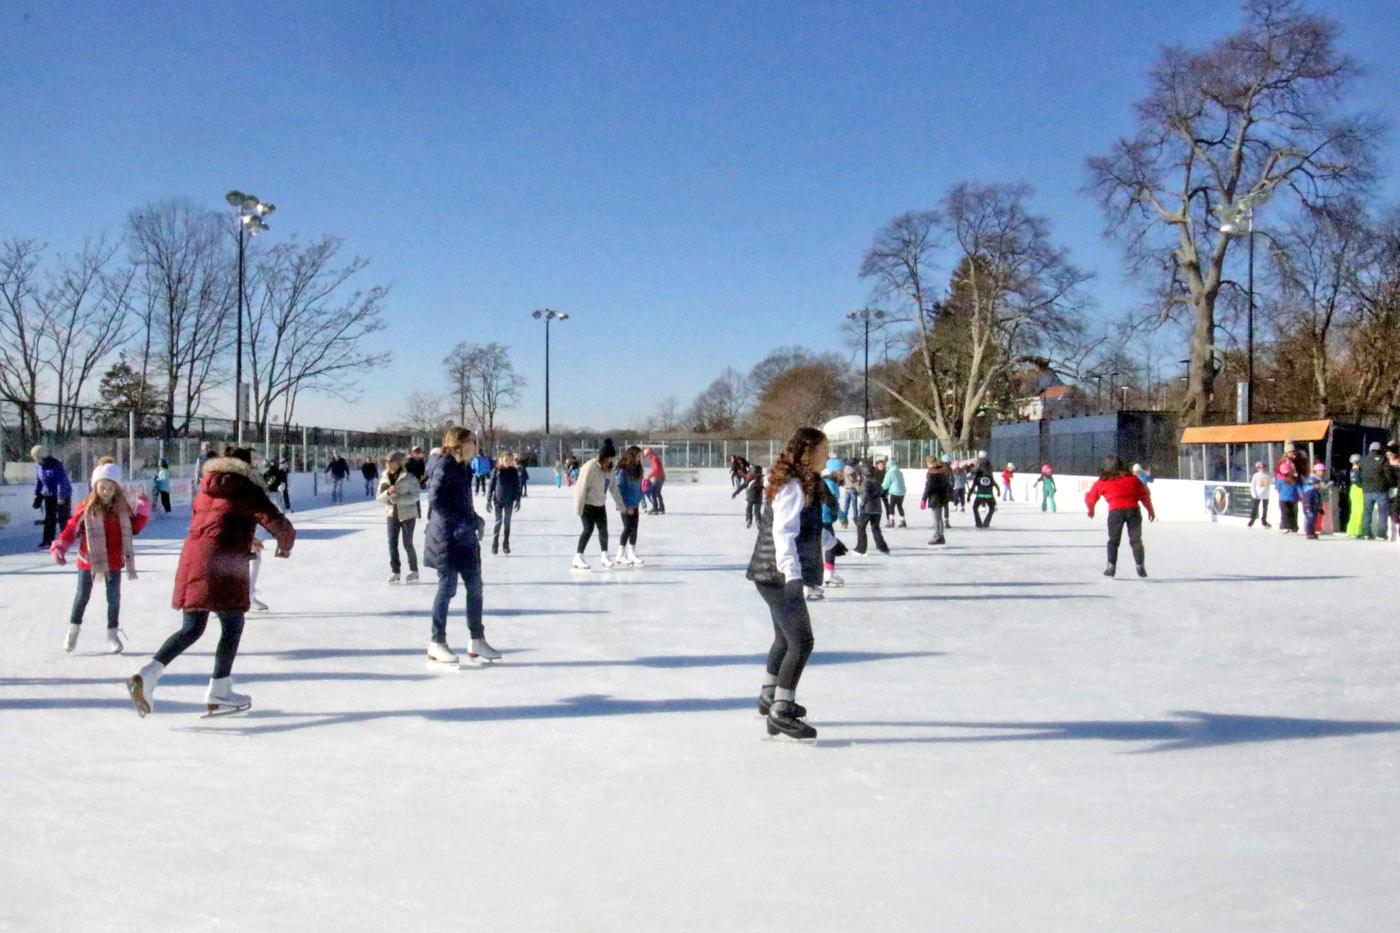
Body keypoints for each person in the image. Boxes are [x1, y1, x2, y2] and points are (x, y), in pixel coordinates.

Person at [126, 448, 295, 717]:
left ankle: (147, 674)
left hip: (193, 560)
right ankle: (219, 690)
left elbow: (214, 521)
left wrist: (245, 537)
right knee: (232, 623)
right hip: (222, 566)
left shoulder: (207, 487)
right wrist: (286, 543)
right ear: (245, 466)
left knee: (192, 627)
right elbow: (275, 520)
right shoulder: (246, 487)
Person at [745, 426, 827, 741]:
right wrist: (792, 575)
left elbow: (803, 527)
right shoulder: (792, 486)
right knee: (802, 642)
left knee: (784, 639)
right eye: (824, 450)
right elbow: (783, 533)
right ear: (808, 454)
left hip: (766, 572)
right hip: (777, 575)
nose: (827, 456)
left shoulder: (790, 482)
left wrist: (830, 541)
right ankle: (782, 707)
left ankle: (770, 694)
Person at [51, 460, 151, 654]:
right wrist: (60, 546)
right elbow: (72, 529)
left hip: (113, 560)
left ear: (116, 488)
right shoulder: (86, 507)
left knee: (113, 598)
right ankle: (73, 631)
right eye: (102, 486)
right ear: (95, 487)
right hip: (88, 560)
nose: (106, 490)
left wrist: (143, 509)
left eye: (110, 486)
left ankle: (112, 634)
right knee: (82, 596)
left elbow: (135, 528)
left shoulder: (122, 508)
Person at [423, 426, 499, 666]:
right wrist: (461, 522)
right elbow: (436, 500)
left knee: (475, 587)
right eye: (472, 442)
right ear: (459, 444)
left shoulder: (463, 468)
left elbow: (462, 502)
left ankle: (477, 639)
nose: (475, 446)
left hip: (464, 537)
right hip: (446, 538)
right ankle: (437, 642)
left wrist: (473, 519)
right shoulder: (445, 465)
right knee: (447, 589)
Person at [1085, 454, 1155, 578]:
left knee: (1113, 541)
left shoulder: (1103, 481)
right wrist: (1150, 509)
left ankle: (1111, 566)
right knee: (1136, 540)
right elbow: (1144, 494)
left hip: (1115, 512)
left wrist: (1091, 510)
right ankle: (1140, 565)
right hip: (1133, 511)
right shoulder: (1132, 479)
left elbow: (1091, 497)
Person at [377, 450, 421, 583]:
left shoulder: (409, 477)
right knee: (392, 543)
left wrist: (399, 499)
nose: (388, 464)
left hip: (407, 514)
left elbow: (416, 495)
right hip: (392, 514)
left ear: (398, 462)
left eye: (391, 462)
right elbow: (378, 497)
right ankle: (395, 571)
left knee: (408, 543)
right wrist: (388, 495)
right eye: (387, 462)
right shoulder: (384, 477)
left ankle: (414, 570)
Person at [572, 440, 617, 570]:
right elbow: (581, 488)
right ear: (603, 457)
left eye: (611, 458)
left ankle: (604, 555)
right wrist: (578, 508)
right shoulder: (590, 467)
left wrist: (621, 505)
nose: (610, 461)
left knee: (604, 530)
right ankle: (578, 556)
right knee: (588, 530)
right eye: (609, 458)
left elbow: (614, 488)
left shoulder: (610, 469)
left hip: (600, 504)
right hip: (587, 505)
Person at [611, 445, 647, 567]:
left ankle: (632, 553)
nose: (638, 459)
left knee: (634, 528)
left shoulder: (637, 468)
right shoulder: (622, 470)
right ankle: (620, 554)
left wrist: (640, 498)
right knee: (627, 528)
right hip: (625, 504)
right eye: (637, 456)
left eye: (639, 456)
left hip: (635, 502)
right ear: (631, 456)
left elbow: (639, 486)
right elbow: (618, 489)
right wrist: (625, 506)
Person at [31, 445, 73, 548]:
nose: (36, 460)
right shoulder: (39, 466)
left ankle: (66, 539)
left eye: (37, 457)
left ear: (43, 456)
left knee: (63, 518)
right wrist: (38, 494)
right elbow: (40, 481)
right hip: (49, 494)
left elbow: (61, 482)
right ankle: (48, 540)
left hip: (63, 494)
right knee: (49, 518)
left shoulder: (56, 465)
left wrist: (61, 497)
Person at [486, 451, 522, 555]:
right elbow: (491, 486)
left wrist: (518, 500)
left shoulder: (514, 472)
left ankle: (506, 543)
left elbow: (517, 487)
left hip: (509, 501)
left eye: (510, 460)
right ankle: (495, 543)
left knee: (507, 523)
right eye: (506, 460)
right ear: (501, 460)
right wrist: (488, 500)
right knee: (498, 522)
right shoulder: (496, 471)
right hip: (498, 500)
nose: (508, 462)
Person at [1358, 441, 1395, 541]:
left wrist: (1361, 485)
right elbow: (1389, 474)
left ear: (1370, 449)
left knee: (1367, 512)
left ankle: (1366, 533)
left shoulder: (1363, 460)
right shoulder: (1383, 460)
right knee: (1382, 513)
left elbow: (1358, 474)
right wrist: (1392, 484)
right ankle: (1381, 535)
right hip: (1381, 490)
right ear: (1380, 449)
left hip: (1367, 491)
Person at [853, 466, 889, 555]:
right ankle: (883, 547)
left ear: (864, 474)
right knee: (875, 528)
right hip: (877, 508)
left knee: (861, 528)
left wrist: (862, 504)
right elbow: (881, 491)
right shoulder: (877, 481)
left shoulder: (865, 482)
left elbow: (865, 494)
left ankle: (860, 549)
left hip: (867, 508)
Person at [920, 456, 952, 546]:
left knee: (935, 518)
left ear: (930, 463)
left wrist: (923, 499)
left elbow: (928, 487)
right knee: (939, 517)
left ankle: (937, 536)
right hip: (942, 497)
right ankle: (941, 536)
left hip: (934, 497)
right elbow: (946, 485)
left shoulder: (931, 472)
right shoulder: (943, 471)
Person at [1275, 455, 1302, 534]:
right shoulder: (1280, 480)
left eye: (1287, 473)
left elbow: (1298, 488)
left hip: (1293, 499)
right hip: (1283, 499)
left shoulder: (1294, 480)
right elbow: (1278, 489)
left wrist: (1300, 495)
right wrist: (1281, 494)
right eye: (1285, 473)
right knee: (1285, 513)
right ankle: (1286, 526)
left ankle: (1294, 527)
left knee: (1294, 513)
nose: (1286, 475)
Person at [732, 464, 765, 528]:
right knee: (757, 510)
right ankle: (758, 520)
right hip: (758, 498)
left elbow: (743, 486)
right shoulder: (762, 479)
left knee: (749, 508)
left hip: (751, 497)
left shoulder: (750, 478)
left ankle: (749, 519)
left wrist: (736, 492)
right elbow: (768, 487)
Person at [1302, 464, 1326, 540]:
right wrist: (1308, 509)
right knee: (1310, 521)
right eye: (1316, 484)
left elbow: (1318, 500)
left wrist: (1320, 508)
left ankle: (1312, 532)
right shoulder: (1310, 492)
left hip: (1314, 509)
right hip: (1310, 509)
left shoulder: (1316, 492)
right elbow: (1307, 501)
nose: (1318, 485)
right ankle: (1309, 533)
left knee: (1313, 521)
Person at [881, 457, 907, 528]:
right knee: (900, 506)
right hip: (902, 492)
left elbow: (886, 484)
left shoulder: (890, 472)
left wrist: (880, 489)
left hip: (894, 492)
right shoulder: (899, 472)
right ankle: (903, 520)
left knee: (891, 506)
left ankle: (891, 521)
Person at [1345, 455, 1365, 538]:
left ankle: (1350, 530)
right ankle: (1357, 531)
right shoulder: (1357, 471)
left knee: (1354, 511)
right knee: (1359, 511)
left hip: (1353, 489)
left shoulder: (1352, 470)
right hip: (1358, 490)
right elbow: (1359, 482)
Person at [1247, 461, 1272, 528]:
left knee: (1265, 509)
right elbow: (1253, 485)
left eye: (1263, 467)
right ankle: (1252, 520)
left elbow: (1271, 482)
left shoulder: (1268, 475)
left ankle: (1264, 521)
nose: (1262, 469)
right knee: (1254, 508)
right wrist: (1254, 493)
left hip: (1265, 495)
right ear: (1258, 468)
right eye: (1260, 467)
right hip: (1257, 494)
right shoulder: (1256, 475)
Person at [643, 447, 666, 515]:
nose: (646, 457)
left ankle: (655, 508)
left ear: (649, 453)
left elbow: (656, 470)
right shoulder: (655, 457)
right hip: (661, 477)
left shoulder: (654, 458)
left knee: (652, 492)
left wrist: (648, 476)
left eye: (647, 455)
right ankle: (661, 508)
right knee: (657, 492)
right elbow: (656, 469)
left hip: (659, 478)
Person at [839, 460, 861, 529]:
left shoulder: (844, 471)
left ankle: (844, 520)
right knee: (854, 506)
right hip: (853, 490)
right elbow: (855, 482)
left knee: (846, 506)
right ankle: (856, 519)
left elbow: (842, 480)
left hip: (847, 490)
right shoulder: (853, 472)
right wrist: (859, 490)